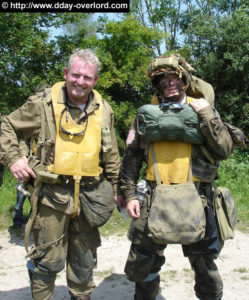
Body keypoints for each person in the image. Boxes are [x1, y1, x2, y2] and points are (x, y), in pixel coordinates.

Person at [0, 49, 123, 300]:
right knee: (47, 259)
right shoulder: (42, 104)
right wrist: (13, 159)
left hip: (90, 196)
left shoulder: (104, 109)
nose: (80, 82)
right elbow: (7, 125)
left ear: (95, 80)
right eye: (75, 75)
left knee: (84, 262)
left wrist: (120, 190)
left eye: (87, 77)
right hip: (51, 196)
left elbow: (111, 155)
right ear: (66, 73)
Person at [121, 54, 238, 300]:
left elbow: (225, 149)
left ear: (184, 79)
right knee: (143, 267)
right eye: (163, 78)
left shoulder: (202, 109)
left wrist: (207, 116)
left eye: (174, 77)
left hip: (197, 197)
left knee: (205, 266)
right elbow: (131, 158)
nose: (169, 82)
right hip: (153, 198)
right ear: (157, 84)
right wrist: (130, 195)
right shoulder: (146, 115)